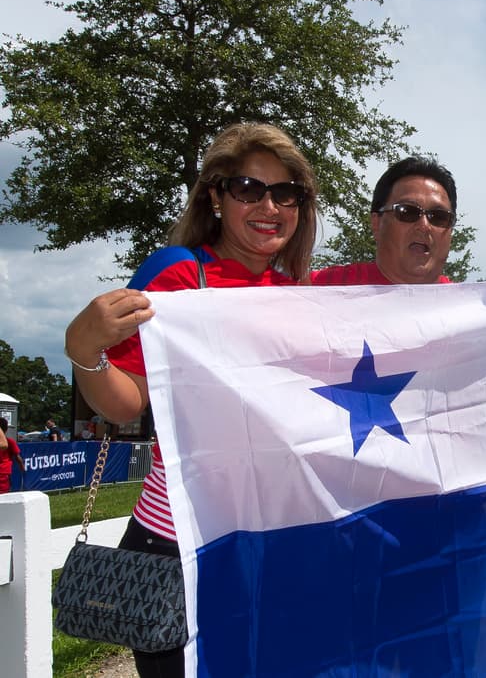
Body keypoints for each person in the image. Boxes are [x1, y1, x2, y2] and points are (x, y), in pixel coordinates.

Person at [63, 121, 318, 678]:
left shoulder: (299, 294)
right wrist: (84, 350)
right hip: (176, 542)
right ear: (216, 195)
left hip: (266, 542)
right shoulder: (178, 274)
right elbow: (126, 403)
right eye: (249, 189)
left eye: (286, 193)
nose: (268, 205)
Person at [311, 156, 457, 285]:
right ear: (376, 224)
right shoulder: (315, 289)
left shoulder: (470, 309)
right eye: (407, 212)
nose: (424, 226)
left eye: (439, 217)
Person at [0, 417, 24, 492]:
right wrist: (22, 466)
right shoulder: (10, 441)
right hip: (4, 471)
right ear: (6, 429)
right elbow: (17, 456)